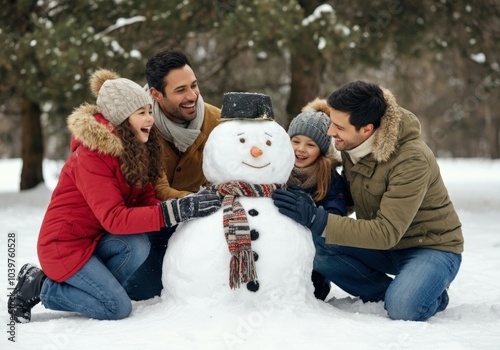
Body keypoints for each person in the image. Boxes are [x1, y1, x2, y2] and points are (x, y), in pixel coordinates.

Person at [7, 69, 220, 323]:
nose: (150, 119)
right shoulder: (92, 156)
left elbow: (146, 201)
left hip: (95, 241)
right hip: (65, 247)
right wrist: (173, 212)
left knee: (138, 245)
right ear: (121, 120)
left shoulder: (137, 149)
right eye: (141, 113)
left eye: (149, 112)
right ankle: (41, 285)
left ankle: (97, 289)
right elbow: (114, 218)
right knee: (116, 307)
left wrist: (180, 206)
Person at [273, 80, 464, 321]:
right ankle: (395, 292)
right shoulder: (352, 144)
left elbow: (386, 232)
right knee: (317, 246)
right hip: (382, 246)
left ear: (366, 129)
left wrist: (315, 217)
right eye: (332, 122)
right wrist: (315, 195)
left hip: (429, 246)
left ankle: (424, 293)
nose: (331, 132)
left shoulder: (411, 159)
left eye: (339, 127)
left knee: (404, 308)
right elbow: (352, 196)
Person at [126, 49, 222, 301]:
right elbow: (156, 189)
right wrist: (198, 202)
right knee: (142, 289)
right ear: (156, 95)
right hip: (155, 221)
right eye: (180, 90)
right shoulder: (140, 127)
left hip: (203, 220)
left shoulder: (217, 122)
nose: (192, 96)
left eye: (194, 85)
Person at [285, 99, 348, 301]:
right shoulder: (277, 170)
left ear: (321, 149)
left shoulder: (329, 178)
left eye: (310, 144)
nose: (301, 149)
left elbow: (335, 217)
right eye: (295, 141)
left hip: (313, 259)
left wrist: (312, 214)